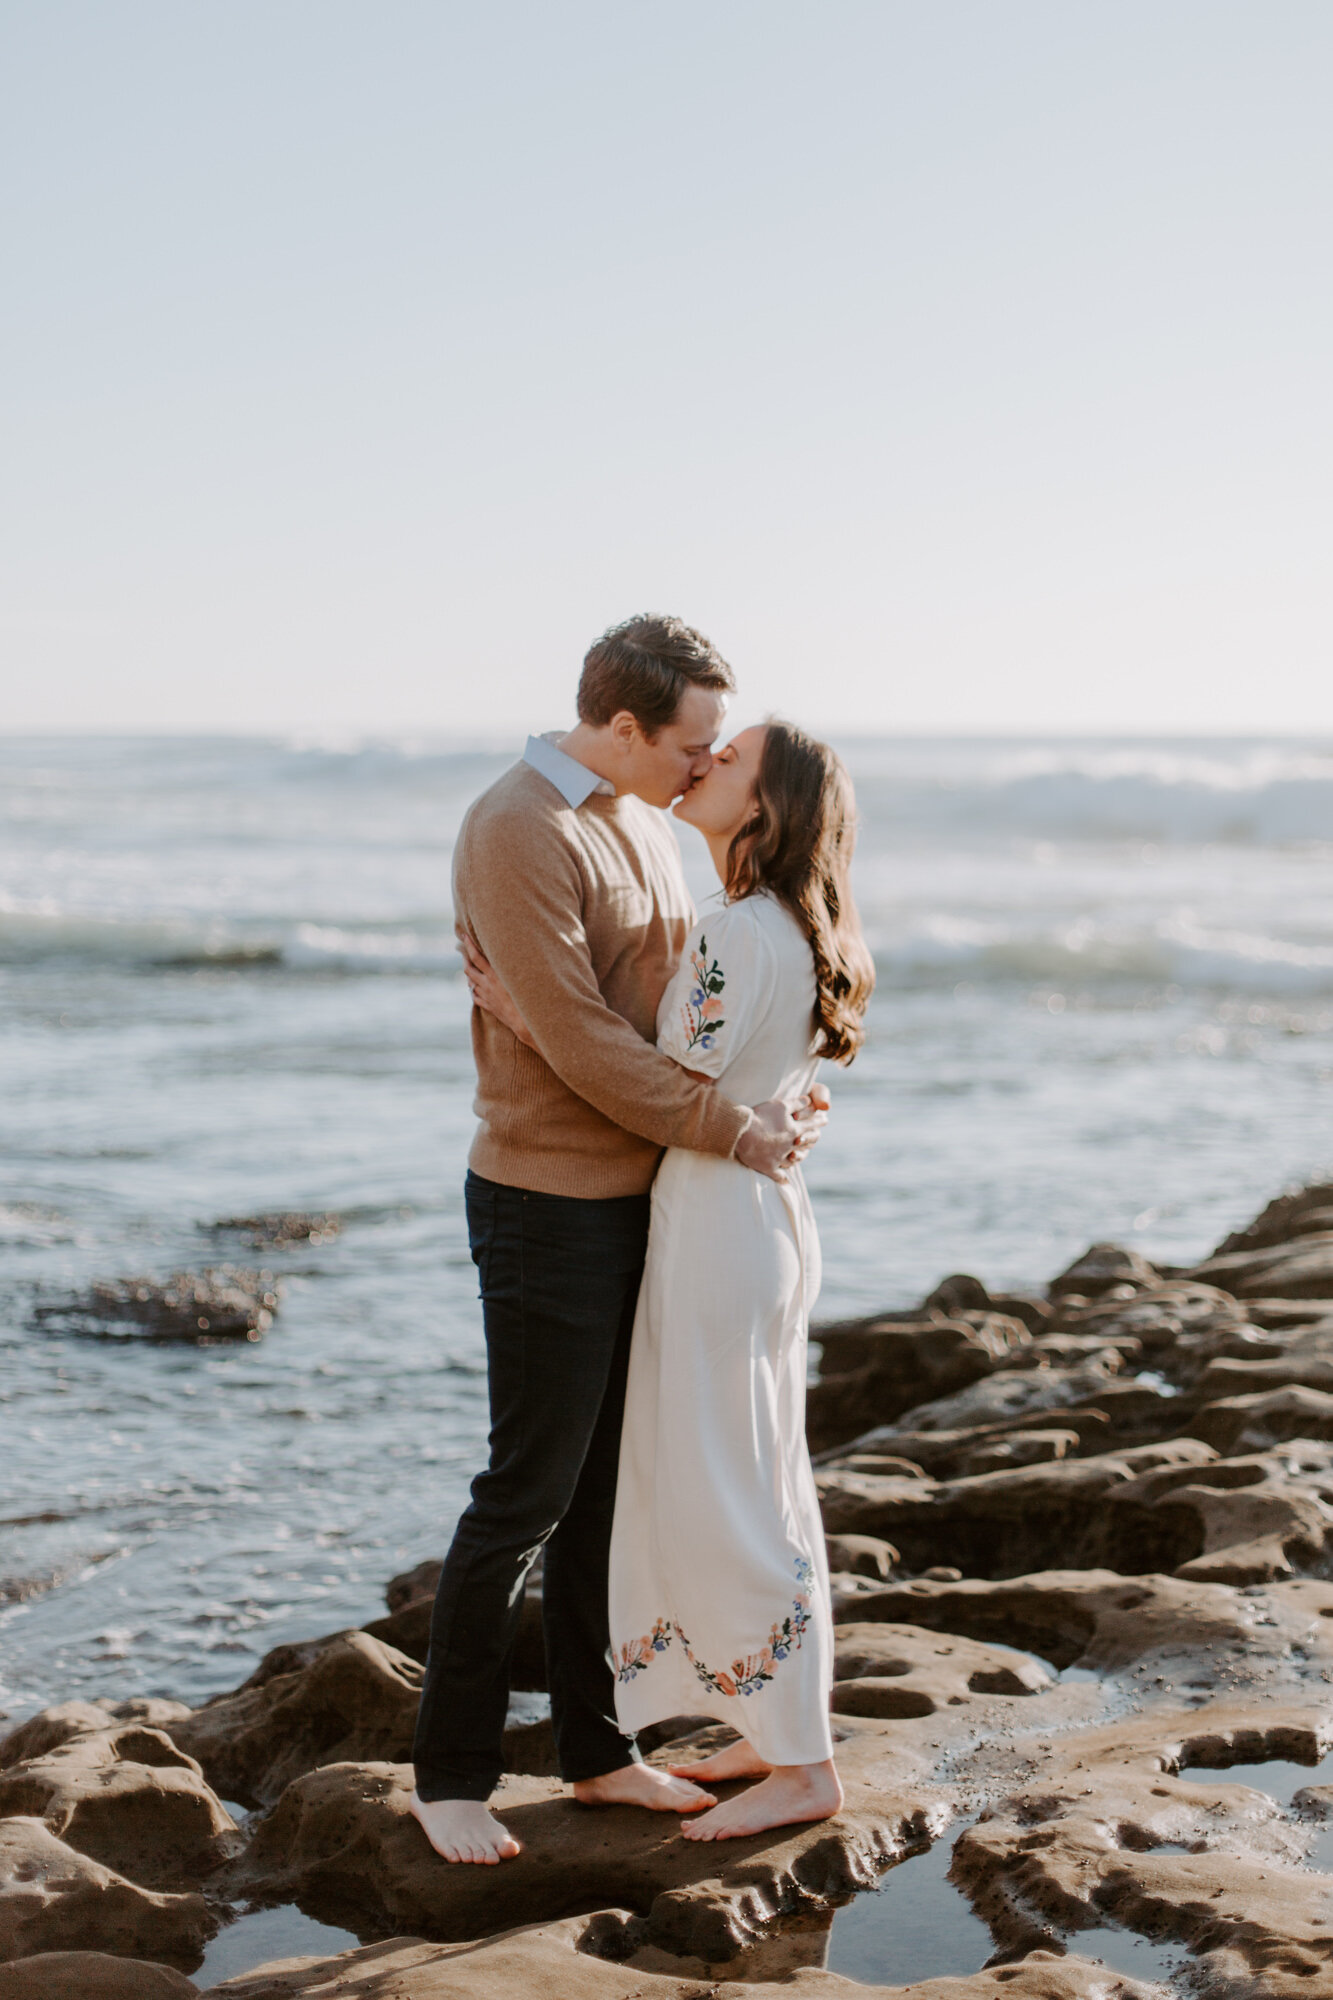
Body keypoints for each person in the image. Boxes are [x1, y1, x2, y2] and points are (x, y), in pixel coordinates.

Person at [410, 615, 828, 1866]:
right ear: (625, 724)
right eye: (690, 743)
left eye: (716, 749)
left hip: (649, 1192)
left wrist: (780, 1080)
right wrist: (729, 1126)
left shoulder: (644, 817)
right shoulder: (515, 828)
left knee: (602, 1496)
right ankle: (449, 1775)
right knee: (524, 1492)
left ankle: (595, 1752)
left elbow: (659, 1016)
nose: (702, 767)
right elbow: (593, 1042)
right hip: (545, 1199)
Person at [607, 719, 874, 1839]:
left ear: (762, 811)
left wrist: (530, 1009)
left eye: (729, 760)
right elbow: (774, 1082)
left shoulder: (732, 936)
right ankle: (773, 1727)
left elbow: (666, 1079)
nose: (703, 761)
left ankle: (804, 1764)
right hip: (766, 1219)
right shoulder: (806, 930)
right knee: (757, 1472)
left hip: (718, 1218)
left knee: (726, 1487)